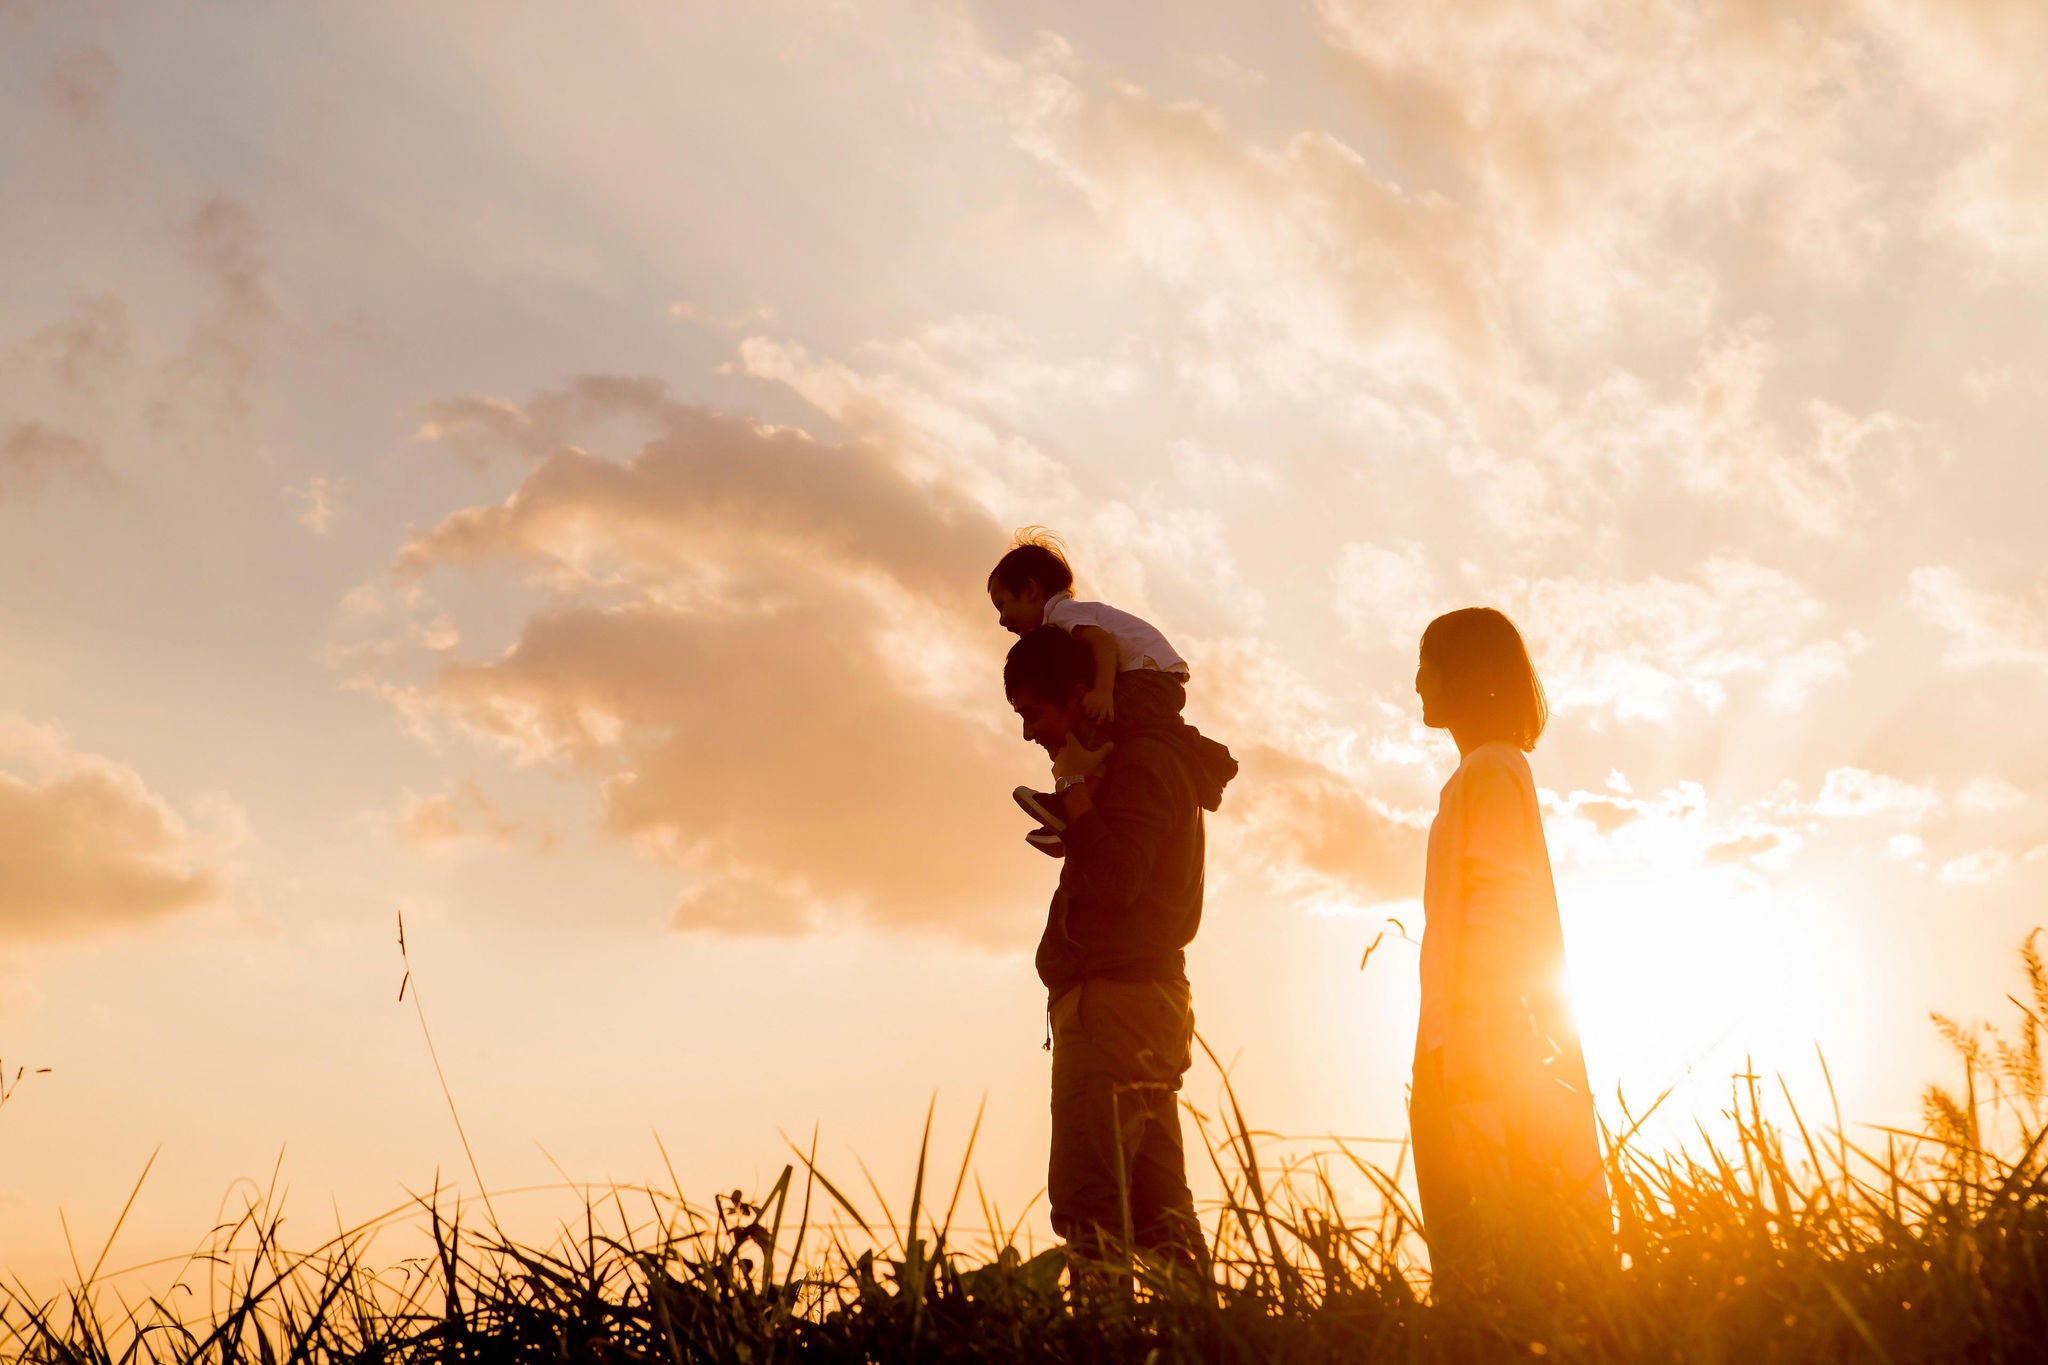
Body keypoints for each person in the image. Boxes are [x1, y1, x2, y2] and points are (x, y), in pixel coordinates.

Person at [1002, 624, 1236, 1285]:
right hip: (1144, 1001)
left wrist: (1075, 788)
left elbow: (1116, 879)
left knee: (1090, 1206)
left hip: (1114, 1005)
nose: (1029, 733)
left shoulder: (1139, 762)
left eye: (1033, 713)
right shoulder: (1143, 760)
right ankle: (1204, 1345)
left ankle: (1106, 1344)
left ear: (1079, 696)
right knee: (1162, 1211)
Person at [1409, 607, 1607, 1297]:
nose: (1418, 681)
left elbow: (1498, 904)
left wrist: (1464, 1036)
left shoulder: (1491, 771)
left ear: (1466, 672)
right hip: (1472, 1038)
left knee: (1484, 1258)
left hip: (1477, 1044)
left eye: (1429, 661)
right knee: (1492, 1253)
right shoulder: (1488, 772)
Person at [989, 528, 1219, 857]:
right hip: (1154, 674)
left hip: (1152, 676)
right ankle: (1070, 816)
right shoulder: (1067, 617)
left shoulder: (1064, 615)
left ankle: (1068, 804)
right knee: (1104, 739)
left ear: (1029, 590)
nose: (1001, 620)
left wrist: (1102, 692)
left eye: (1002, 605)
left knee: (1095, 728)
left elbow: (1105, 644)